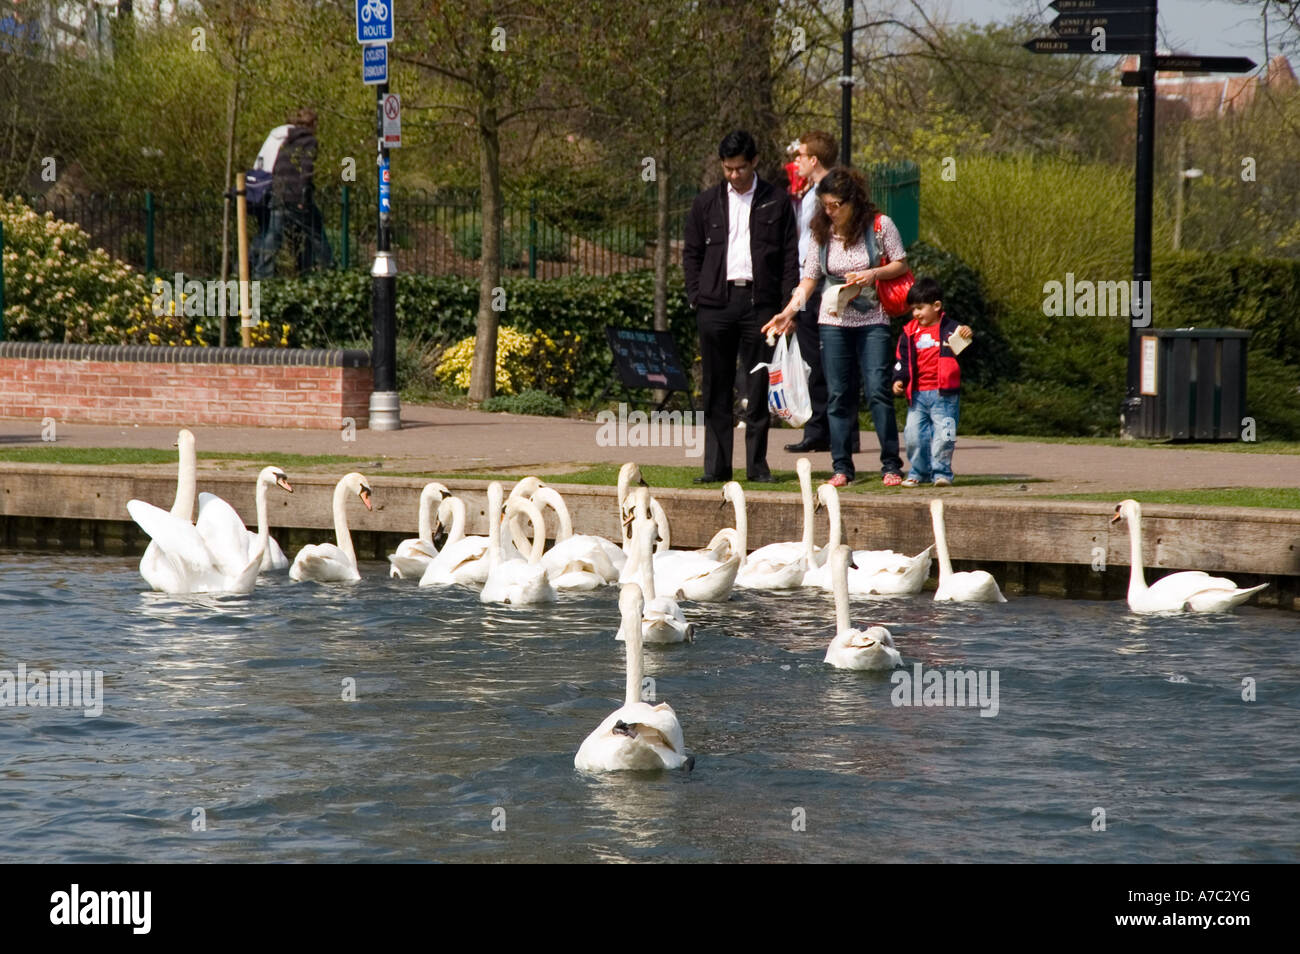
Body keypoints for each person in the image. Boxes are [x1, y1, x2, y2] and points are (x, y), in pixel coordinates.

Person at [762, 166, 908, 487]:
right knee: (838, 394)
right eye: (825, 205)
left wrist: (873, 274)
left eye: (835, 205)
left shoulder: (880, 225)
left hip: (872, 317)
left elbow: (901, 262)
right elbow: (810, 278)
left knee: (877, 391)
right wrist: (788, 312)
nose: (830, 212)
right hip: (833, 319)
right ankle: (841, 466)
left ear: (853, 201)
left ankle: (891, 465)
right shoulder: (821, 232)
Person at [683, 130, 799, 485]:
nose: (734, 175)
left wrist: (788, 308)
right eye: (728, 168)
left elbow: (789, 258)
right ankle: (715, 467)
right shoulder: (705, 203)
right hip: (715, 305)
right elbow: (691, 254)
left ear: (755, 162)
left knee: (759, 385)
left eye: (740, 168)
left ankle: (757, 466)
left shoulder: (777, 201)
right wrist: (696, 296)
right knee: (716, 387)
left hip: (760, 306)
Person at [783, 130, 857, 456]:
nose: (795, 161)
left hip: (830, 285)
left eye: (800, 155)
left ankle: (845, 431)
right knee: (814, 361)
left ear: (813, 159)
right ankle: (818, 430)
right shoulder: (809, 193)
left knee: (838, 360)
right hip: (808, 284)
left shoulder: (833, 196)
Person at [892, 277, 972, 487]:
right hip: (917, 394)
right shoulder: (909, 332)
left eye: (920, 308)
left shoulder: (951, 328)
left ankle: (942, 473)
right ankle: (918, 472)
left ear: (936, 306)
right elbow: (901, 360)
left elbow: (965, 347)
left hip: (944, 395)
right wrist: (899, 380)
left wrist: (966, 334)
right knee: (913, 435)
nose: (916, 314)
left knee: (945, 435)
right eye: (913, 309)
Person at [253, 108, 333, 278]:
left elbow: (277, 166)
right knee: (317, 234)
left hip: (279, 192)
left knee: (273, 236)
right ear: (312, 124)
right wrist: (304, 197)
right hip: (296, 196)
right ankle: (329, 271)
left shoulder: (286, 139)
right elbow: (306, 169)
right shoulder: (309, 141)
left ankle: (261, 275)